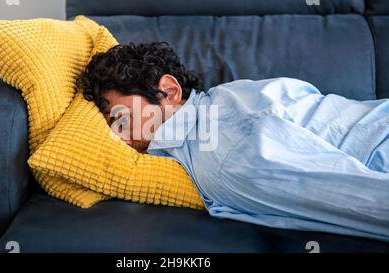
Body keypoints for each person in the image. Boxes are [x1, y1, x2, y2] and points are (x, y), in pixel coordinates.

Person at [79, 42, 389, 241]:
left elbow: (368, 201)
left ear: (169, 91)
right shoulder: (228, 98)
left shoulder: (225, 160)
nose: (115, 135)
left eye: (117, 115)